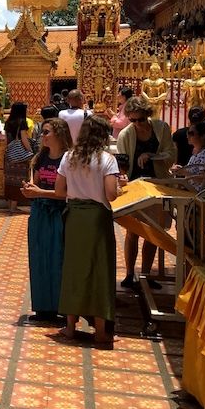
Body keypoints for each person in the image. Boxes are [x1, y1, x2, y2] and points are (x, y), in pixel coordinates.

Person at [54, 114, 122, 346]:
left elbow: (59, 190)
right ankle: (101, 331)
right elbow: (111, 194)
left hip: (74, 217)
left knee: (73, 269)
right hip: (96, 219)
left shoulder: (69, 157)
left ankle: (71, 327)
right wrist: (120, 187)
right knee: (99, 271)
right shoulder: (107, 159)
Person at [116, 96, 174, 291]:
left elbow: (171, 154)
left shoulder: (161, 128)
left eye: (140, 119)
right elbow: (122, 162)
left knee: (153, 232)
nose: (137, 124)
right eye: (132, 120)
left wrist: (152, 156)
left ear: (147, 116)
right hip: (135, 187)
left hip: (157, 184)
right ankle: (130, 273)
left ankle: (147, 274)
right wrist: (122, 175)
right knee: (133, 232)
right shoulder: (126, 134)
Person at [21, 118, 73, 322]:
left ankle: (60, 307)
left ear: (59, 134)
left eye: (46, 132)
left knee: (58, 259)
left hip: (59, 213)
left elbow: (65, 193)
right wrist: (30, 190)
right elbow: (35, 182)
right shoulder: (39, 158)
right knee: (39, 258)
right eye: (42, 132)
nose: (42, 136)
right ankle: (42, 307)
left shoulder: (68, 159)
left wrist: (40, 192)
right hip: (40, 212)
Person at [4, 102, 34, 213]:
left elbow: (6, 139)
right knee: (19, 180)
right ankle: (13, 207)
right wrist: (30, 150)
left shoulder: (8, 122)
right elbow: (24, 138)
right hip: (20, 155)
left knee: (10, 180)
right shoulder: (22, 122)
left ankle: (9, 205)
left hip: (9, 154)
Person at [170, 121, 205, 191]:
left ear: (202, 136)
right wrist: (182, 169)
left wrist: (184, 171)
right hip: (191, 191)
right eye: (188, 133)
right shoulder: (197, 152)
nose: (187, 136)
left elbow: (202, 180)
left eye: (191, 133)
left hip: (199, 195)